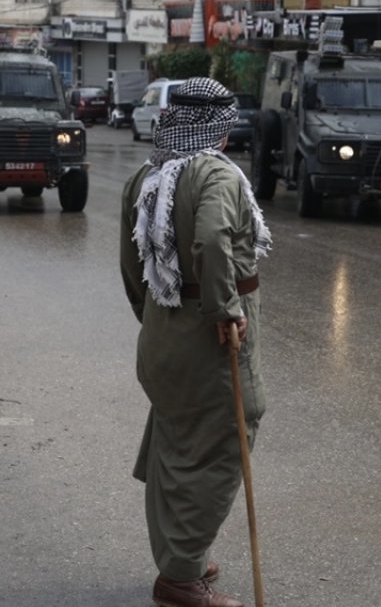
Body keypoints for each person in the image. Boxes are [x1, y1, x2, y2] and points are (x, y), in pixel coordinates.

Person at [119, 77, 273, 607]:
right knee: (228, 435)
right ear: (221, 129)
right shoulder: (216, 175)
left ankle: (184, 555)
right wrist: (223, 310)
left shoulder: (148, 174)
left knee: (177, 441)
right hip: (211, 330)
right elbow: (210, 239)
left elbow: (132, 264)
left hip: (163, 331)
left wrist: (159, 319)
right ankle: (180, 579)